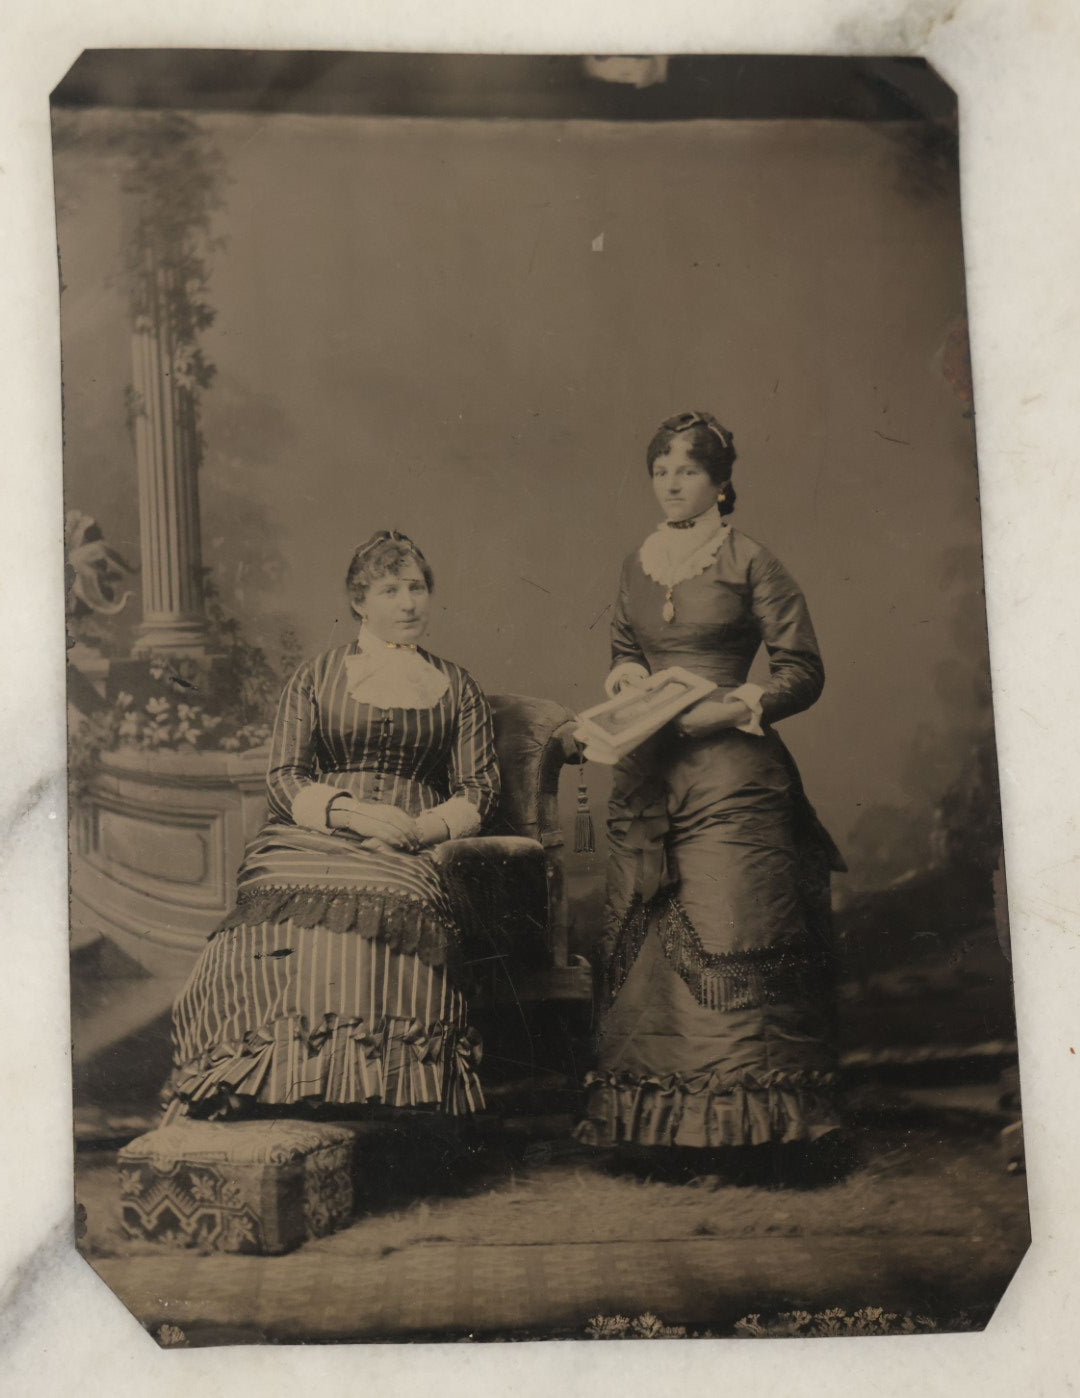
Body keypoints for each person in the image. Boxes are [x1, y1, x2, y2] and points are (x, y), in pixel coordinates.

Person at [576, 411, 846, 1166]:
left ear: (721, 484)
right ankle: (655, 1131)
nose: (671, 484)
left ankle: (753, 1131)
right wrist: (627, 679)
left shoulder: (752, 560)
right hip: (647, 771)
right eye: (661, 471)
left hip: (732, 773)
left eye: (688, 471)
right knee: (645, 940)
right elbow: (626, 646)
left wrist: (730, 708)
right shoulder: (636, 563)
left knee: (732, 928)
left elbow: (802, 671)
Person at [165, 530, 500, 1121]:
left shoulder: (457, 686)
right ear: (358, 601)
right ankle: (265, 1077)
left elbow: (480, 787)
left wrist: (420, 829)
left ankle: (376, 1089)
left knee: (391, 895)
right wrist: (351, 812)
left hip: (412, 840)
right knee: (276, 899)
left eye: (417, 588)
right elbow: (284, 775)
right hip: (319, 831)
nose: (408, 603)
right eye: (390, 590)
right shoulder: (316, 676)